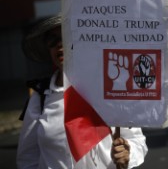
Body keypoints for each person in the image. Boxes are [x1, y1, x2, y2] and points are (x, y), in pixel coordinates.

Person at [17, 16, 148, 168]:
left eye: (67, 36)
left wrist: (127, 154)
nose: (60, 44)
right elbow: (27, 158)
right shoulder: (40, 97)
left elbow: (137, 141)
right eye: (52, 40)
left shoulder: (112, 90)